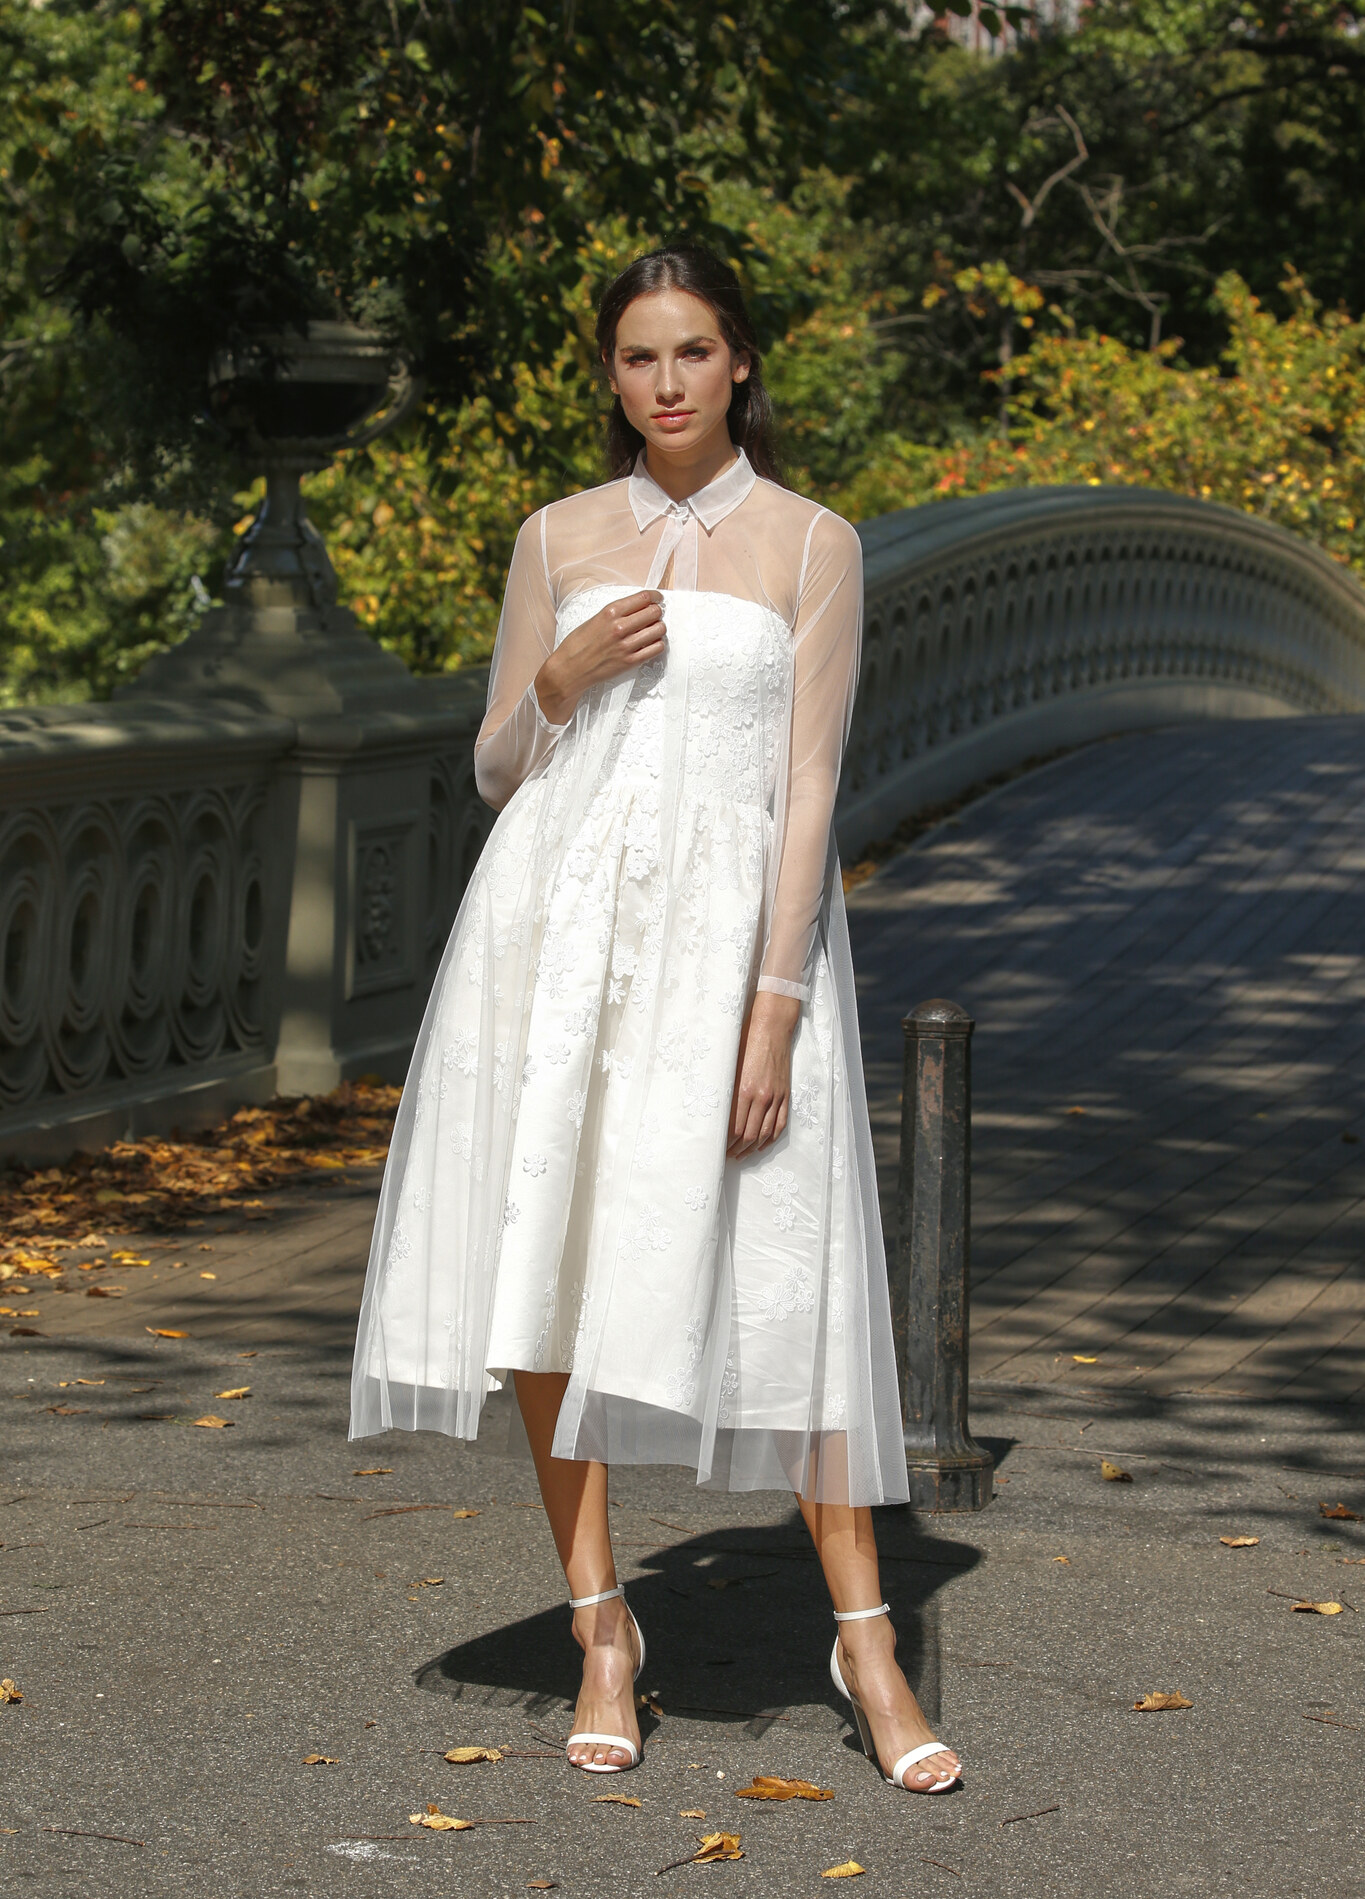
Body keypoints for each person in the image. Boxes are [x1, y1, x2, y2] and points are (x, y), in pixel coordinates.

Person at [350, 244, 961, 1794]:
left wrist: (772, 1012)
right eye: (638, 358)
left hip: (731, 954)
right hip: (555, 944)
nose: (667, 383)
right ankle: (601, 1629)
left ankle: (867, 1644)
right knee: (548, 1276)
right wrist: (557, 676)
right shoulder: (556, 535)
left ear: (738, 361)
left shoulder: (810, 541)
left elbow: (808, 787)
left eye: (693, 352)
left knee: (788, 1277)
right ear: (611, 377)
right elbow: (497, 769)